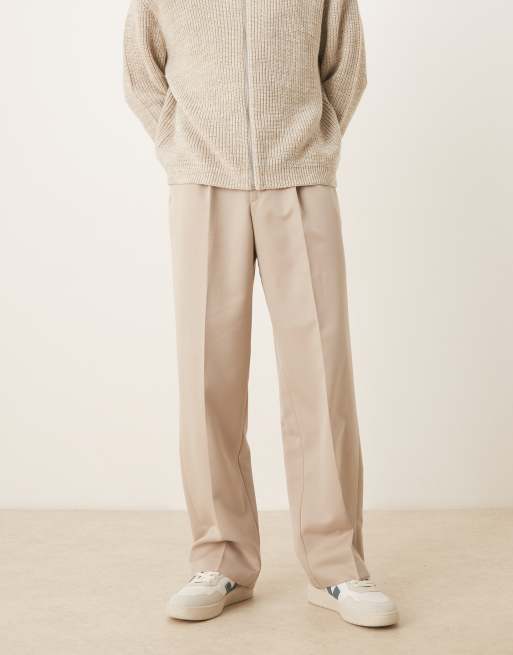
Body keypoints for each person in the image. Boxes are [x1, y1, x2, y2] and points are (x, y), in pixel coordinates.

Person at [123, 0, 398, 628]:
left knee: (321, 376)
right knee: (208, 378)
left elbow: (346, 64)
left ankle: (336, 567)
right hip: (202, 181)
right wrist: (178, 144)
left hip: (300, 178)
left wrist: (316, 144)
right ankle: (220, 558)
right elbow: (141, 67)